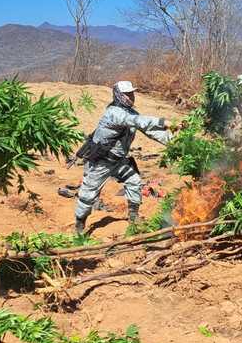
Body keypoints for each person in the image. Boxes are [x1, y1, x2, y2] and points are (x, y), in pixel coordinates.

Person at [74, 81, 174, 234]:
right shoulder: (114, 113)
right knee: (88, 195)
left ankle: (133, 219)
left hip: (118, 161)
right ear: (118, 95)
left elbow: (150, 130)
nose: (131, 97)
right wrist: (163, 121)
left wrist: (175, 142)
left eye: (132, 93)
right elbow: (137, 121)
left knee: (134, 181)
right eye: (127, 94)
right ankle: (79, 227)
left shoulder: (132, 113)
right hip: (101, 162)